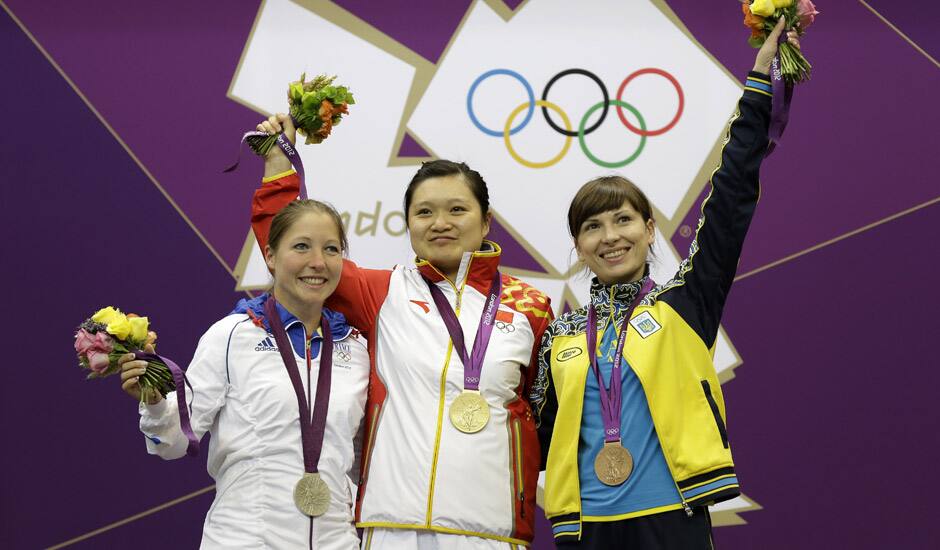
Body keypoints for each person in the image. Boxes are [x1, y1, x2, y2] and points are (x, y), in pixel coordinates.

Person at [529, 20, 800, 549]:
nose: (611, 237)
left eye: (623, 220)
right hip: (584, 530)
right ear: (579, 246)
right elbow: (527, 437)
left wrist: (761, 78)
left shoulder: (684, 303)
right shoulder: (558, 338)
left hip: (671, 519)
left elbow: (730, 200)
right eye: (593, 226)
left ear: (649, 229)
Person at [250, 125, 553, 547]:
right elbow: (293, 251)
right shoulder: (383, 292)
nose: (440, 223)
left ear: (485, 221)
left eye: (457, 210)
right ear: (408, 223)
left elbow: (546, 415)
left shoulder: (531, 306)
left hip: (492, 530)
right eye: (424, 212)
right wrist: (278, 168)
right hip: (391, 526)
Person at [119, 200, 369, 549]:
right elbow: (174, 444)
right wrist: (157, 403)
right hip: (245, 539)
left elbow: (360, 463)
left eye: (331, 249)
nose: (318, 262)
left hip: (336, 541)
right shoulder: (231, 336)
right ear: (269, 256)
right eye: (301, 246)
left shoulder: (356, 349)